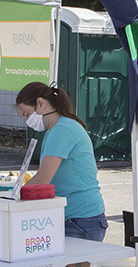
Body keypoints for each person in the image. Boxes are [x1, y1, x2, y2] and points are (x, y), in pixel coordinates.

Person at [15, 82, 107, 242]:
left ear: (40, 103)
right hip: (76, 217)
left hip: (80, 218)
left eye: (26, 114)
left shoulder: (62, 129)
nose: (27, 120)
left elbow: (43, 179)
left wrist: (14, 197)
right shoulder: (58, 129)